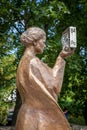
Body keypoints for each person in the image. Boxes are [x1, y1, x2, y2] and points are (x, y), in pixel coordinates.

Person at [15, 27, 74, 130]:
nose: (45, 45)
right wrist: (61, 58)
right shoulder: (34, 62)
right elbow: (53, 85)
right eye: (43, 41)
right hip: (39, 117)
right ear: (35, 42)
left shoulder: (23, 61)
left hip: (26, 115)